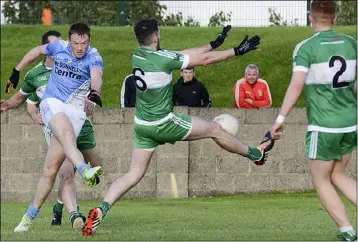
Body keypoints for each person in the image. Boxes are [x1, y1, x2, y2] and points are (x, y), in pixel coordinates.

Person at [82, 20, 274, 236]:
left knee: (133, 174)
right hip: (164, 122)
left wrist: (213, 43)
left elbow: (183, 54)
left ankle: (101, 209)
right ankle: (256, 154)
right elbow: (203, 60)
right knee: (215, 129)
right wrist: (237, 51)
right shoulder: (163, 59)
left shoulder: (138, 55)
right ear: (155, 37)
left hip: (142, 126)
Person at [2, 22, 104, 232]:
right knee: (66, 135)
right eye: (76, 42)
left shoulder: (93, 56)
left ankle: (27, 219)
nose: (79, 47)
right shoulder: (58, 47)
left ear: (89, 41)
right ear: (69, 40)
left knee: (49, 171)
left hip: (76, 112)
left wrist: (95, 92)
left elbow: (97, 75)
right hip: (52, 103)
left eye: (83, 43)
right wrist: (16, 70)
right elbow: (34, 52)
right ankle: (84, 170)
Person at [269, 1, 357, 241]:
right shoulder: (351, 44)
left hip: (324, 124)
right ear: (335, 18)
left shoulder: (305, 48)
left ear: (311, 18)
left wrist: (280, 119)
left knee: (320, 179)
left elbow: (296, 85)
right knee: (338, 174)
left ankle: (347, 231)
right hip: (350, 123)